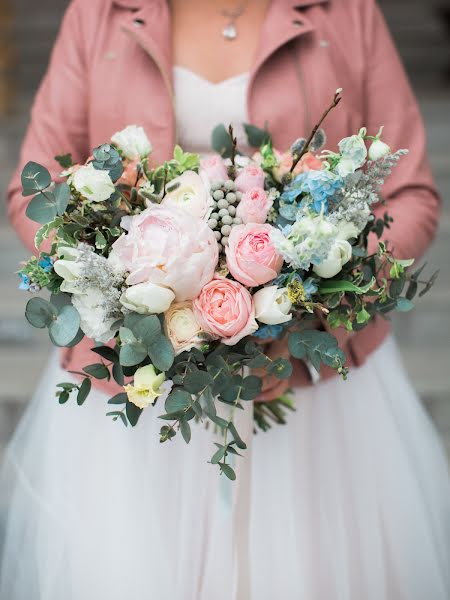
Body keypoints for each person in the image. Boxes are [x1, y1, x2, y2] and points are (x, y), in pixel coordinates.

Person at [2, 1, 450, 598]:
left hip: (313, 397)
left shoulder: (346, 12)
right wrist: (133, 296)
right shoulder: (99, 13)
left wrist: (309, 314)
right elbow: (33, 190)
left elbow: (410, 195)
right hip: (134, 393)